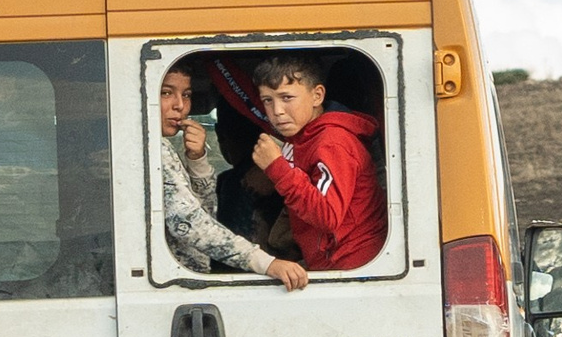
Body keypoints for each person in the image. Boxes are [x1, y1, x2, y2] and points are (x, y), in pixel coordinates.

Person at [157, 65, 308, 287]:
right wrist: (266, 263)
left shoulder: (162, 149)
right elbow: (189, 224)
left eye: (186, 95)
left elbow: (203, 213)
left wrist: (197, 160)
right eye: (166, 93)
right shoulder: (154, 148)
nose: (179, 106)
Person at [243, 52, 388, 272]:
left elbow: (327, 214)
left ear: (317, 96)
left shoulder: (331, 142)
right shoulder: (303, 138)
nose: (277, 111)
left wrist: (277, 168)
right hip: (333, 263)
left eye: (287, 98)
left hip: (352, 267)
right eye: (267, 101)